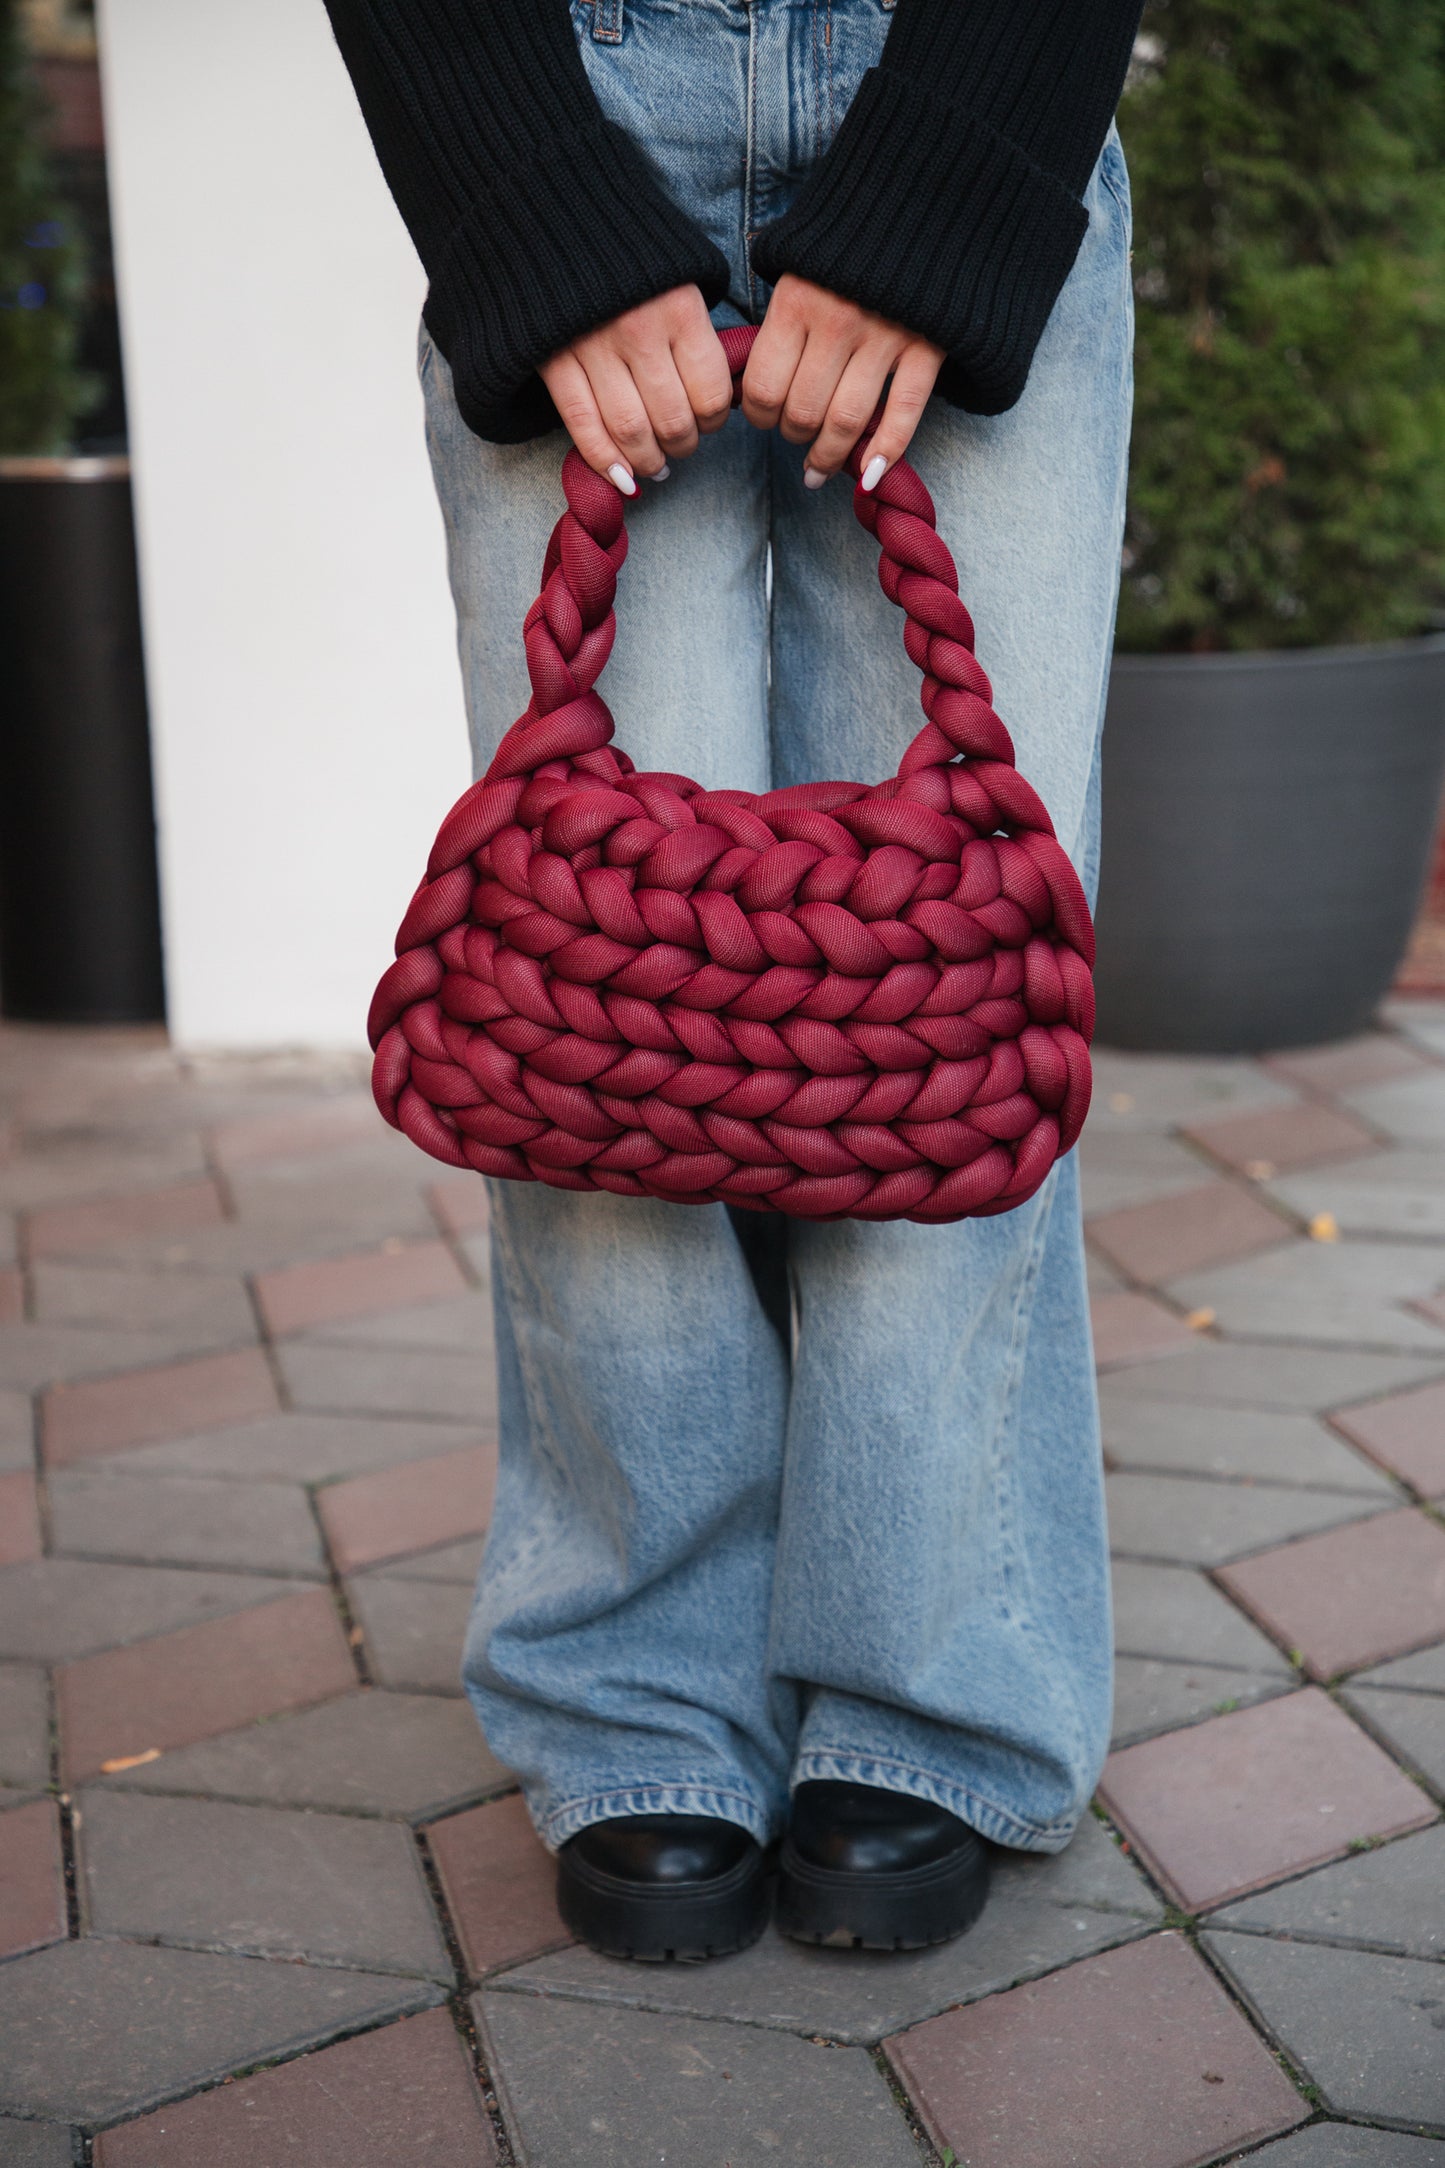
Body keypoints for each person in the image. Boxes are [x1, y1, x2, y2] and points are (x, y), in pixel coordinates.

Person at [325, 0, 1140, 1962]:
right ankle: (641, 1698)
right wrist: (520, 189)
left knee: (934, 1016)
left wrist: (959, 162)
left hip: (961, 67)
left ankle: (929, 1680)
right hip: (562, 82)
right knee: (600, 1029)